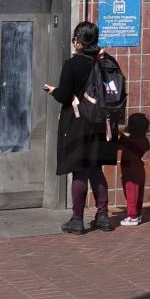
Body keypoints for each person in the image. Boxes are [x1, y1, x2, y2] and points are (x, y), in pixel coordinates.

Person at [44, 21, 116, 235]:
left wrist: (53, 91)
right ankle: (103, 216)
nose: (73, 42)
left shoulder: (72, 64)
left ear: (78, 41)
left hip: (79, 122)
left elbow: (65, 95)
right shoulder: (105, 61)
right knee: (96, 168)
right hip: (101, 122)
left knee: (80, 170)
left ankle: (77, 219)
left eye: (74, 39)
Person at [117, 113, 150, 226]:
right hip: (140, 168)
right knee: (139, 193)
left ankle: (132, 216)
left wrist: (119, 125)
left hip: (129, 169)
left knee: (131, 193)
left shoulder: (126, 139)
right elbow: (147, 147)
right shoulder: (144, 140)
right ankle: (138, 213)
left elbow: (119, 144)